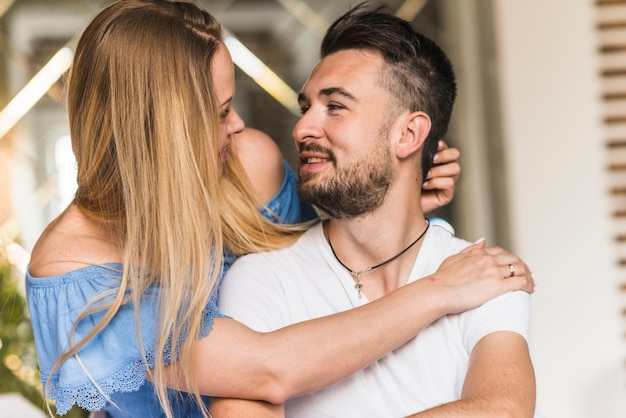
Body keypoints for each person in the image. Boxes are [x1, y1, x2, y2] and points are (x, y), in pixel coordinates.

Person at [24, 1, 534, 417]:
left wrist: (389, 196)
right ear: (167, 127)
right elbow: (267, 369)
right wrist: (440, 288)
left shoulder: (246, 168)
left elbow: (328, 247)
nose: (240, 124)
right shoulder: (74, 268)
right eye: (221, 111)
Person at [213, 5, 537, 418]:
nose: (301, 128)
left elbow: (503, 410)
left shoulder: (484, 274)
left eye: (335, 107)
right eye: (306, 107)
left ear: (408, 134)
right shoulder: (263, 279)